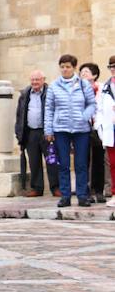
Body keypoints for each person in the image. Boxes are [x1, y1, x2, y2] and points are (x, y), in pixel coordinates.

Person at [45, 54, 96, 207]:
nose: (65, 69)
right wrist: (49, 130)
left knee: (81, 164)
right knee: (64, 164)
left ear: (74, 67)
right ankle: (65, 196)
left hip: (81, 130)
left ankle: (82, 196)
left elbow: (92, 104)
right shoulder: (54, 86)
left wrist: (83, 116)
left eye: (68, 66)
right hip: (61, 129)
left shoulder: (83, 84)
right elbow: (49, 109)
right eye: (62, 66)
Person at [14, 71, 59, 197]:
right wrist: (19, 133)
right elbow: (19, 114)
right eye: (32, 80)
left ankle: (56, 187)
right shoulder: (25, 94)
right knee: (34, 162)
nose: (35, 82)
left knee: (52, 161)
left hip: (47, 132)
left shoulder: (50, 92)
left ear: (43, 80)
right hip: (30, 132)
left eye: (37, 80)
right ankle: (37, 188)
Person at [80, 63, 107, 203]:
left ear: (95, 75)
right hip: (82, 128)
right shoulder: (77, 89)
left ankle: (99, 190)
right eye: (81, 72)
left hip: (97, 128)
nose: (83, 73)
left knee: (98, 161)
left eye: (86, 71)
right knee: (83, 161)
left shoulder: (103, 89)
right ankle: (85, 191)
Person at [98, 56, 115, 206]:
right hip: (111, 130)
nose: (114, 70)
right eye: (112, 67)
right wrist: (100, 127)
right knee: (113, 163)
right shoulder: (105, 87)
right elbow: (100, 109)